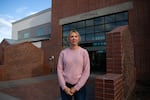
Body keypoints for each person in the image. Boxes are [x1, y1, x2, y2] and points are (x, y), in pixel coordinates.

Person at [57, 30, 90, 100]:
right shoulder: (63, 53)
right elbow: (59, 70)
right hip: (66, 85)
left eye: (76, 36)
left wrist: (76, 87)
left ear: (78, 38)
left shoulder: (84, 52)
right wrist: (64, 87)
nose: (74, 38)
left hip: (80, 85)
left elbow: (86, 71)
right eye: (71, 36)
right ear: (68, 39)